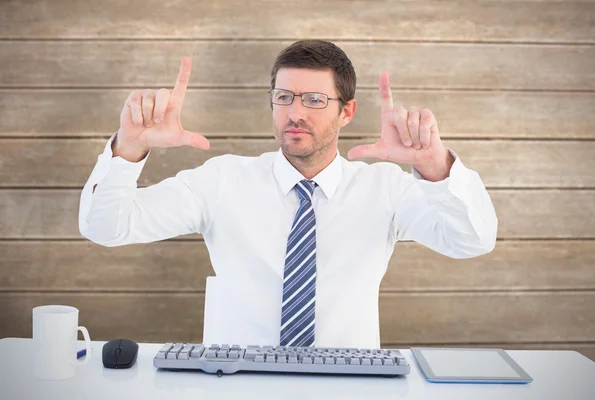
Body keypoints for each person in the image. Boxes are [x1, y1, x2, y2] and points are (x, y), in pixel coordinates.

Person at [79, 40, 498, 349]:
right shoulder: (222, 181)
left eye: (315, 99)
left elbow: (472, 240)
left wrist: (435, 165)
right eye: (284, 97)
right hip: (235, 385)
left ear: (346, 112)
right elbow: (106, 228)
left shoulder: (385, 190)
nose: (295, 113)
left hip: (346, 388)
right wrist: (129, 149)